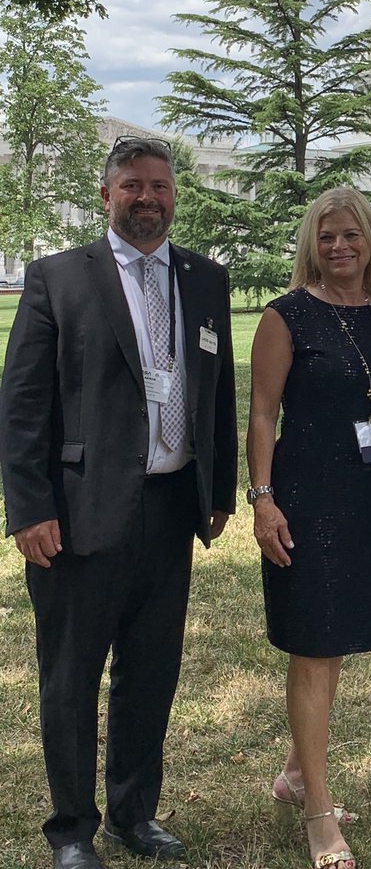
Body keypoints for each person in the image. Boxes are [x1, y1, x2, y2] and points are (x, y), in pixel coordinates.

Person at [0, 136, 237, 869]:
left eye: (160, 187)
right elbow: (23, 407)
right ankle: (72, 830)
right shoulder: (58, 279)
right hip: (79, 512)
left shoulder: (204, 279)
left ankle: (134, 814)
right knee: (72, 677)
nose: (148, 199)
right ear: (107, 195)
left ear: (174, 195)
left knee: (150, 672)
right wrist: (29, 508)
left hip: (170, 510)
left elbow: (216, 390)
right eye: (132, 186)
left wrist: (216, 489)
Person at [247, 187, 371, 869]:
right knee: (312, 648)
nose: (340, 246)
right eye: (326, 236)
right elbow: (261, 412)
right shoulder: (286, 316)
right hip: (306, 497)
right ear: (311, 246)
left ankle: (292, 773)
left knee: (335, 640)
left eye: (351, 235)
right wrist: (262, 498)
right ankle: (317, 812)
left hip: (368, 494)